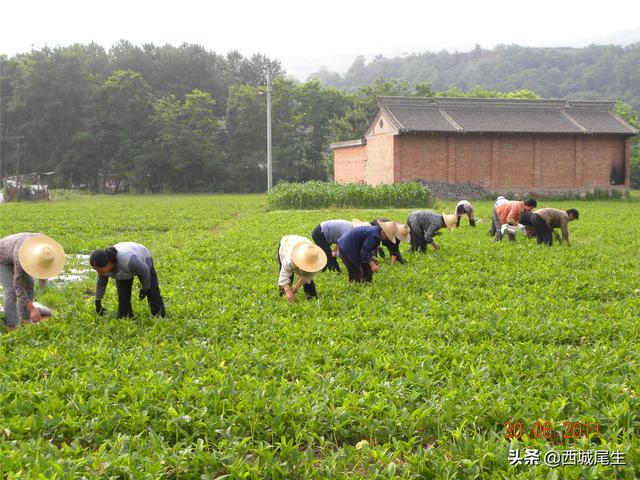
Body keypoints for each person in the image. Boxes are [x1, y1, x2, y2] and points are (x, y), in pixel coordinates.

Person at [0, 233, 65, 330]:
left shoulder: (46, 247)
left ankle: (25, 319)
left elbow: (44, 266)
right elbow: (18, 286)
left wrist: (42, 278)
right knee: (11, 291)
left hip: (16, 251)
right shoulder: (20, 257)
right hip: (2, 257)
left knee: (29, 285)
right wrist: (32, 308)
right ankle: (12, 324)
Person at [90, 242, 166, 318]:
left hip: (142, 258)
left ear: (109, 263)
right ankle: (126, 317)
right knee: (123, 298)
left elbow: (145, 270)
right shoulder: (103, 269)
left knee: (152, 292)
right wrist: (98, 301)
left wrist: (145, 287)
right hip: (123, 268)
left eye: (100, 270)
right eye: (96, 270)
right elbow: (101, 284)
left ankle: (159, 316)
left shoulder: (129, 261)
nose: (99, 273)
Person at [277, 235, 327, 302]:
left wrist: (295, 288)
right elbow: (284, 275)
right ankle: (284, 298)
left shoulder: (315, 259)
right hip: (287, 244)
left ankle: (312, 300)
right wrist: (288, 291)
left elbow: (306, 277)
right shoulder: (289, 259)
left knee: (308, 281)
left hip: (303, 244)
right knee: (288, 277)